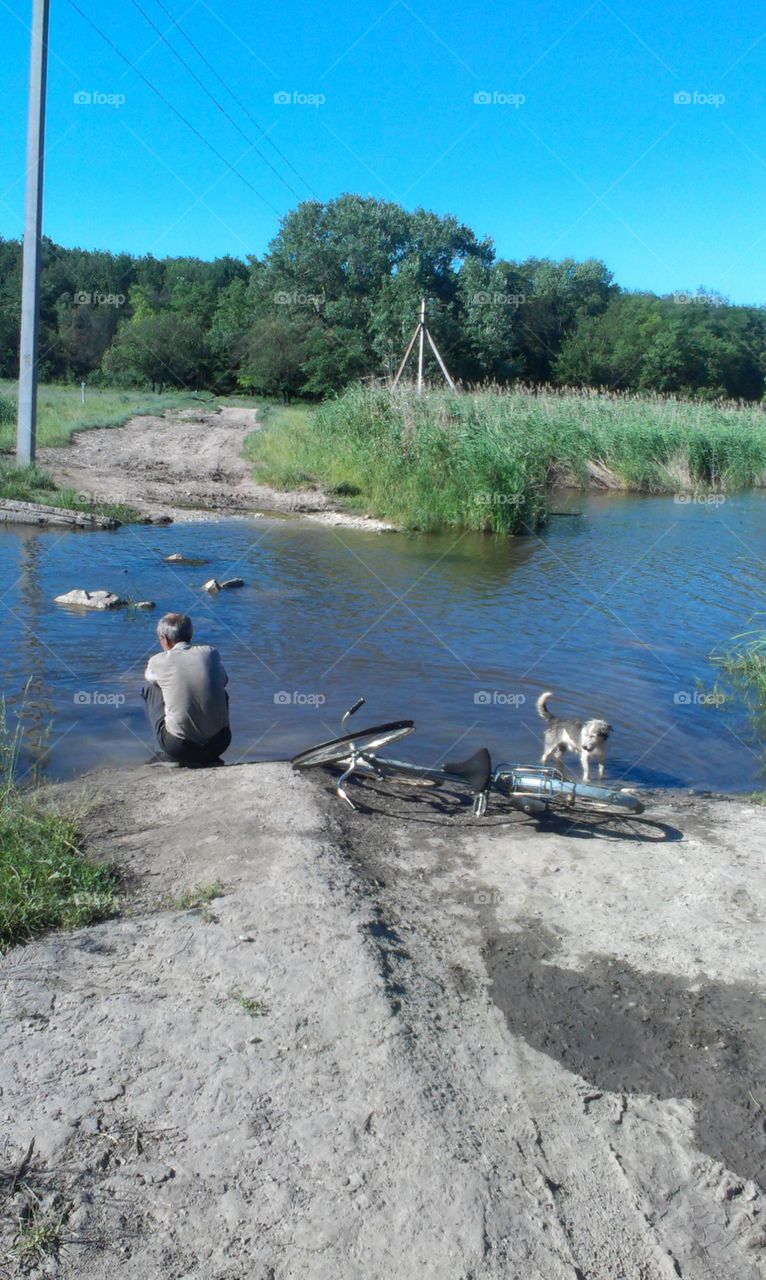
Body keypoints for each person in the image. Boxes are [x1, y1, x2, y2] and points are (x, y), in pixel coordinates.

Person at [142, 612, 231, 766]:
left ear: (165, 639)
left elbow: (150, 678)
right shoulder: (210, 653)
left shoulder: (158, 660)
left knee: (151, 689)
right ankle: (206, 754)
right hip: (220, 744)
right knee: (220, 691)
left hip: (179, 748)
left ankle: (164, 753)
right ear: (190, 634)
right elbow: (224, 680)